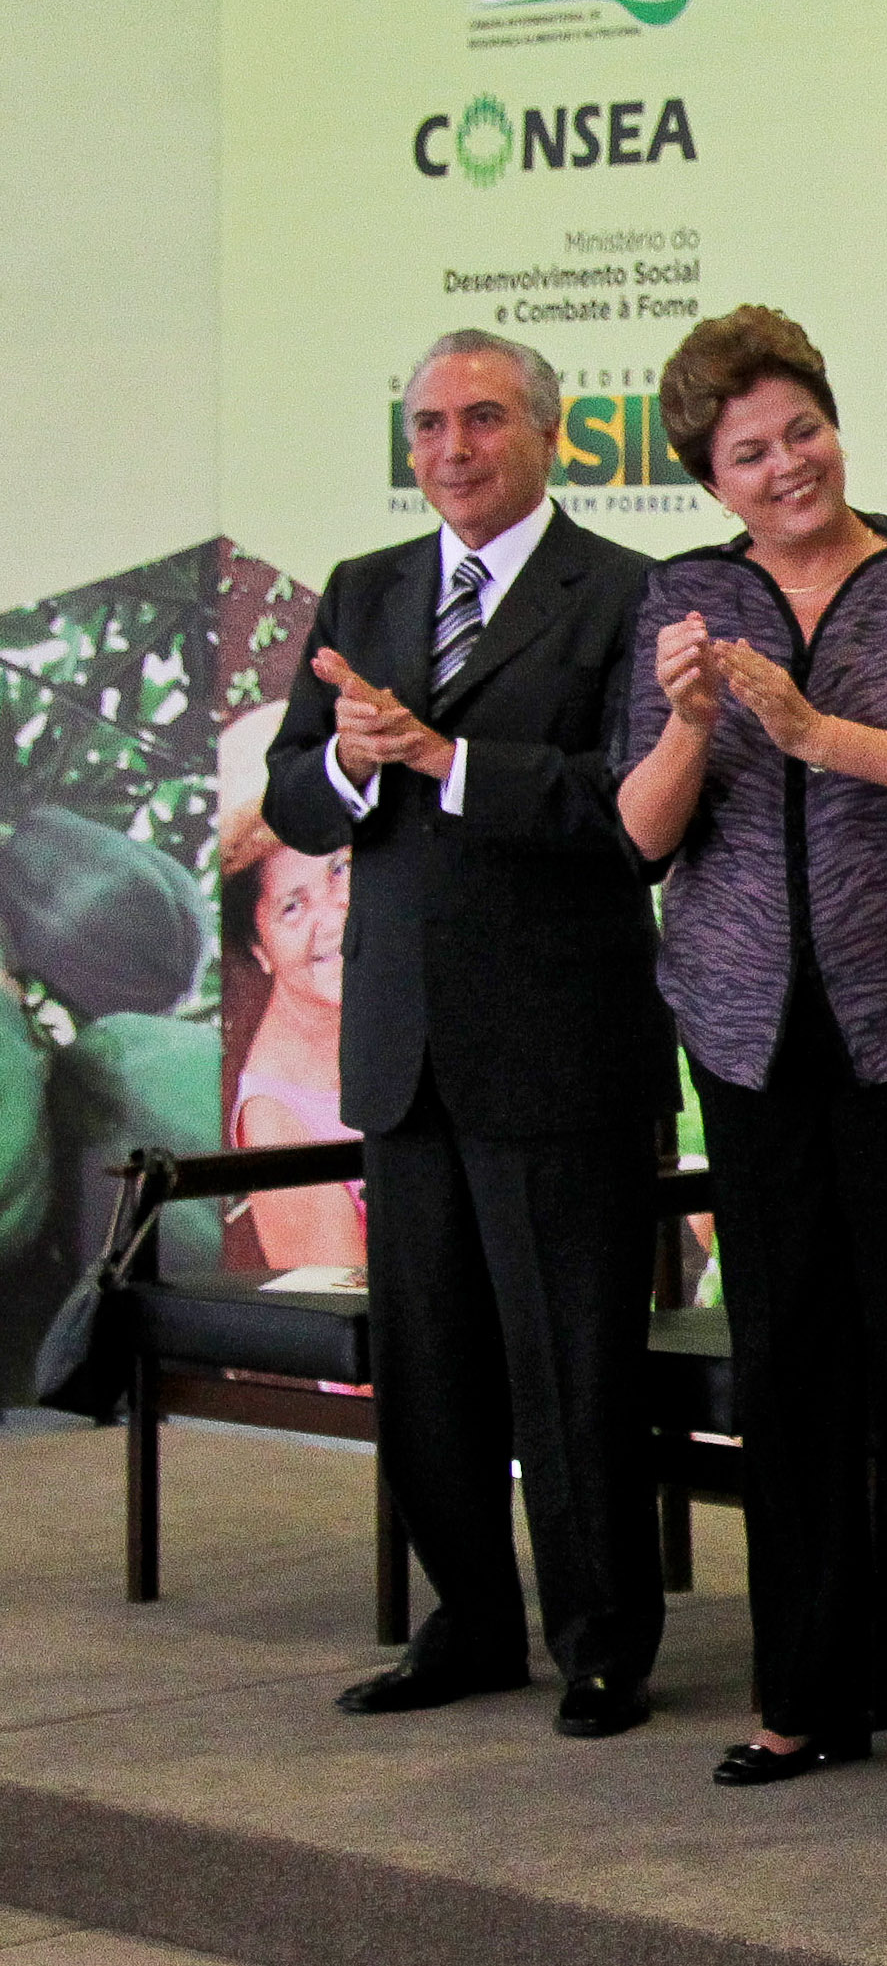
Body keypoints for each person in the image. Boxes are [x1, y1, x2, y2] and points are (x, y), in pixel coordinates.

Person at [614, 305, 887, 1803]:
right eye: (752, 450)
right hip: (749, 1033)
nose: (789, 462)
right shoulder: (681, 599)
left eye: (803, 428)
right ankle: (804, 1696)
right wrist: (687, 724)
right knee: (788, 1365)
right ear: (711, 478)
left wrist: (813, 731)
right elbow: (639, 827)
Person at [262, 329, 677, 1740]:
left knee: (573, 1365)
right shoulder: (367, 592)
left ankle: (604, 1643)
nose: (451, 447)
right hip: (402, 1045)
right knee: (429, 1364)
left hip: (562, 1045)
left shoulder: (624, 592)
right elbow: (294, 798)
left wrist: (445, 763)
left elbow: (633, 807)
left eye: (482, 419)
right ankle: (472, 1625)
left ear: (550, 434)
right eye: (429, 423)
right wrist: (343, 758)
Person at [217, 701, 361, 1270]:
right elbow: (351, 1324)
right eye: (292, 906)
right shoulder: (280, 1123)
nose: (335, 916)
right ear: (259, 950)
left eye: (340, 870)